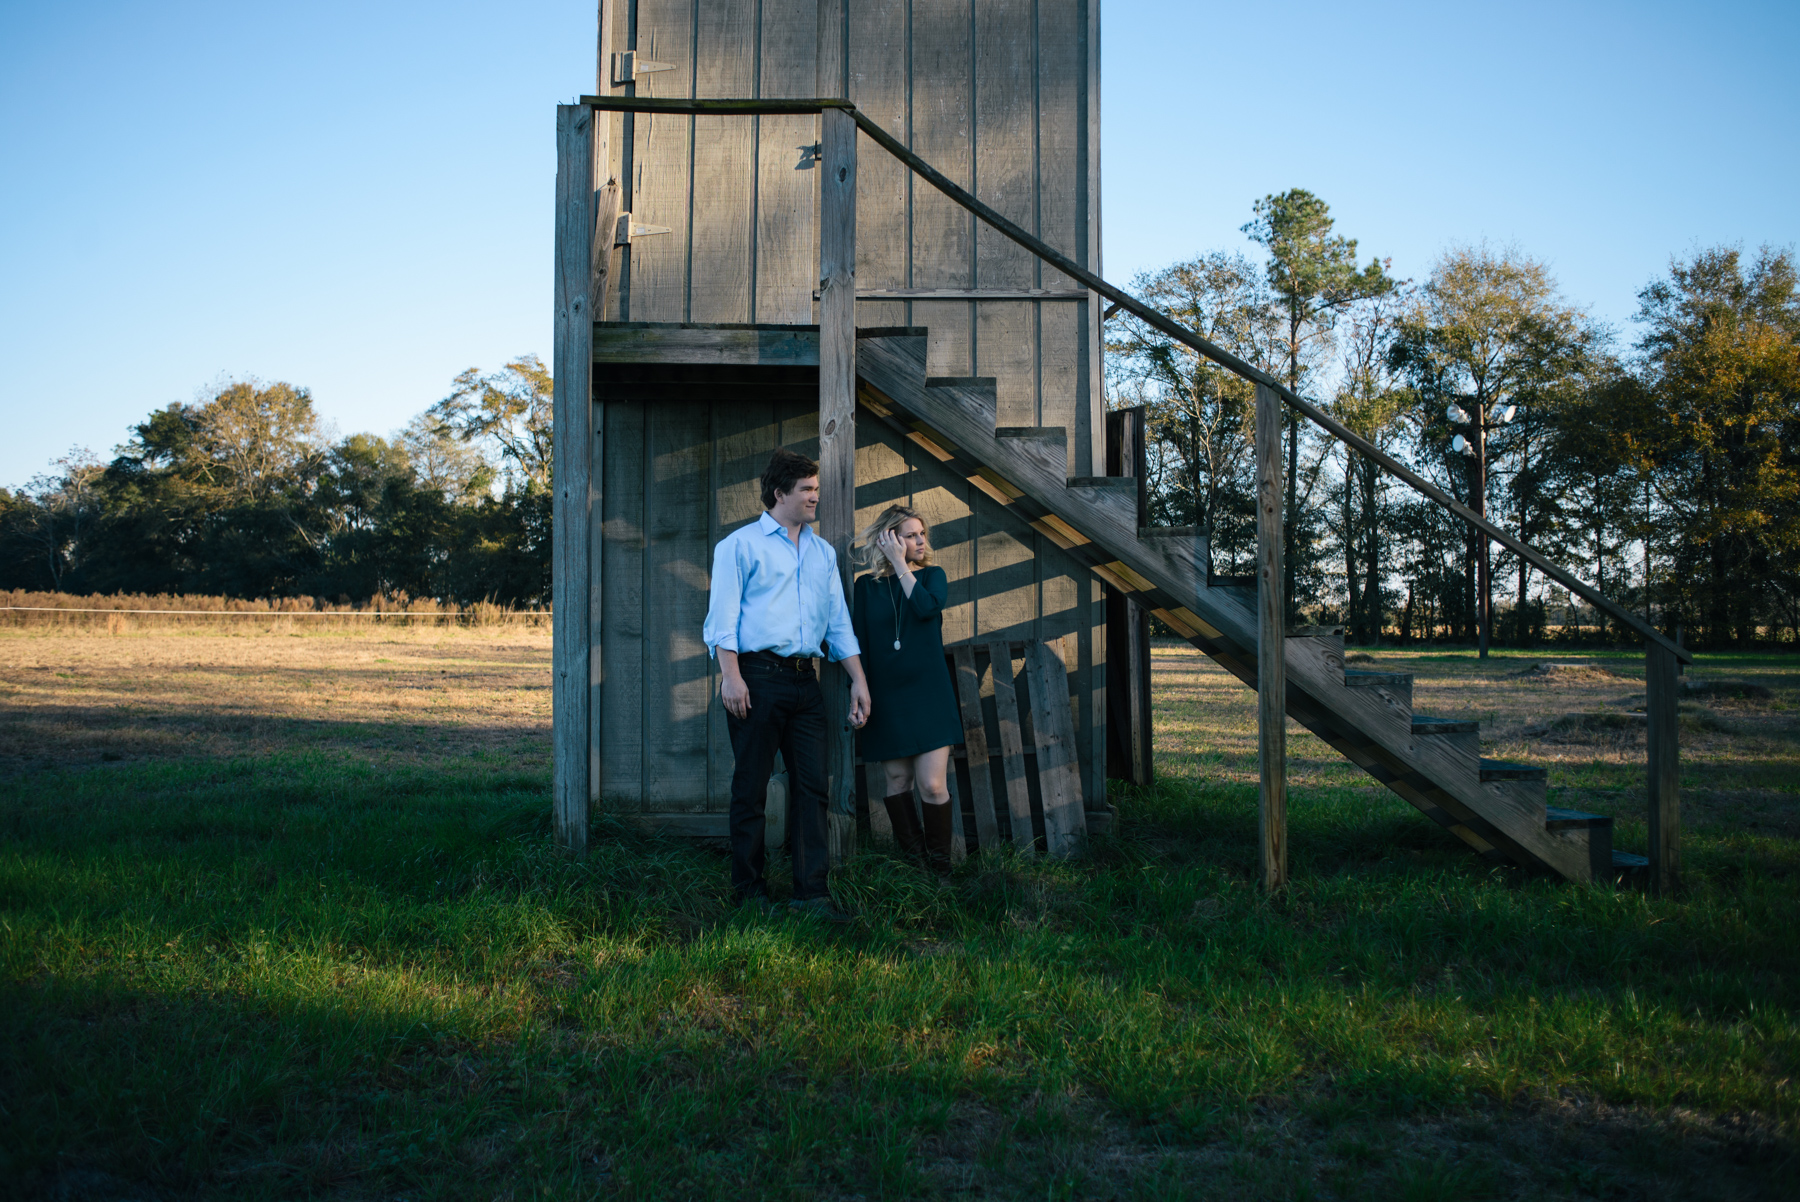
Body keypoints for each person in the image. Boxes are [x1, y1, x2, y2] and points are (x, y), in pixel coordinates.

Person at [703, 448, 871, 923]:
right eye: (807, 490)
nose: (816, 497)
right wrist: (730, 677)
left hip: (806, 684)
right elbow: (722, 621)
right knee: (751, 788)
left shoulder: (822, 554)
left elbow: (838, 625)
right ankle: (749, 893)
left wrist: (859, 681)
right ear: (779, 494)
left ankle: (811, 896)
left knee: (813, 789)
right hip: (755, 679)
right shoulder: (739, 546)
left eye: (816, 489)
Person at [850, 504, 965, 878]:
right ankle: (917, 870)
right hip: (887, 698)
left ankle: (941, 872)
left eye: (922, 534)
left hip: (928, 695)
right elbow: (860, 641)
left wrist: (901, 566)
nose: (920, 541)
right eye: (911, 535)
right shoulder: (865, 587)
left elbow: (926, 610)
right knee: (897, 782)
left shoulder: (932, 576)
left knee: (932, 784)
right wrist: (859, 689)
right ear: (889, 539)